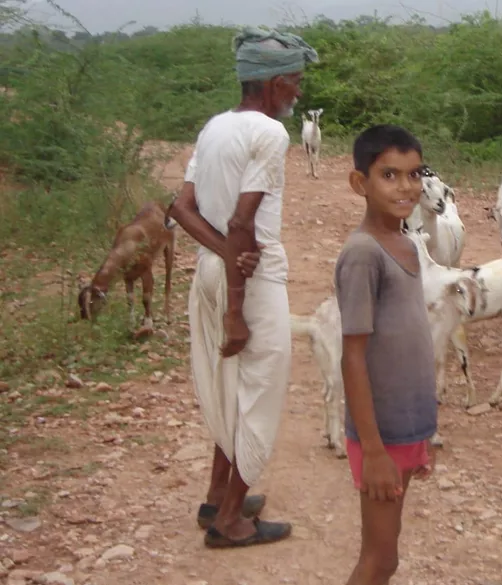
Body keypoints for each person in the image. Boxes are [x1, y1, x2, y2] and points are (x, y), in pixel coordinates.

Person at [169, 26, 318, 547]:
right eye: (295, 82)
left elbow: (181, 209)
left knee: (231, 386)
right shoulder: (271, 134)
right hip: (249, 279)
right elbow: (242, 223)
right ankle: (230, 521)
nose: (298, 92)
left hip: (212, 269)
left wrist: (222, 256)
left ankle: (216, 496)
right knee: (261, 391)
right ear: (274, 83)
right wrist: (237, 308)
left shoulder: (214, 127)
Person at [335, 124, 438, 584]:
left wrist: (421, 432)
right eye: (389, 175)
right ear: (361, 183)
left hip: (405, 428)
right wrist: (373, 451)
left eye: (414, 175)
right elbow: (352, 355)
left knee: (388, 556)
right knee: (378, 559)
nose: (406, 187)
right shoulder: (363, 254)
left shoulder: (407, 244)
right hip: (381, 438)